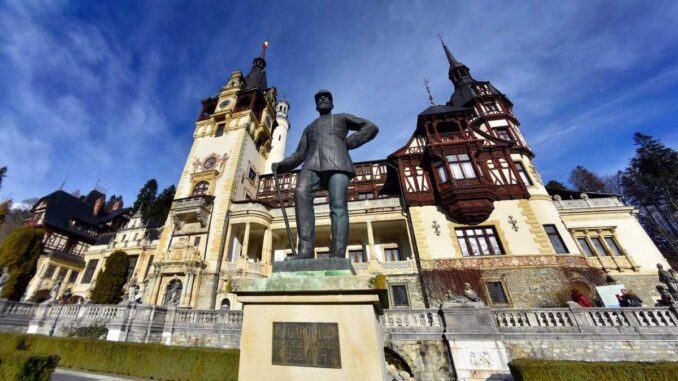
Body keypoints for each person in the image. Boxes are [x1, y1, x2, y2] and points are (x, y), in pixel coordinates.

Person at [272, 89, 379, 259]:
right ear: (316, 105)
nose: (323, 99)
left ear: (332, 103)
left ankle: (337, 254)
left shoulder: (341, 118)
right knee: (300, 192)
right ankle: (305, 251)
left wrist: (347, 143)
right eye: (319, 99)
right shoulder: (309, 128)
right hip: (311, 164)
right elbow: (299, 154)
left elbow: (370, 127)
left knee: (338, 207)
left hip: (338, 162)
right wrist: (282, 165)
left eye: (326, 98)